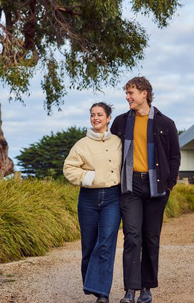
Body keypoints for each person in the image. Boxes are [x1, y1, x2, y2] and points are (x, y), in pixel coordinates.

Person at [111, 76, 181, 303]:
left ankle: (147, 288)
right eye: (127, 93)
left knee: (151, 238)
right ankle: (130, 289)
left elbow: (174, 157)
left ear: (145, 94)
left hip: (156, 188)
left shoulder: (165, 124)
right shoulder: (121, 122)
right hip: (130, 186)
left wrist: (169, 185)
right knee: (132, 237)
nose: (127, 97)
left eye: (131, 93)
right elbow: (111, 154)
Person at [63, 102, 122, 303]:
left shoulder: (118, 142)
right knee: (89, 246)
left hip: (113, 198)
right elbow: (69, 168)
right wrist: (89, 177)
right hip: (87, 199)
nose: (95, 118)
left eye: (99, 114)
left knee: (105, 243)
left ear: (108, 118)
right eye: (92, 115)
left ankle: (102, 293)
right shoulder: (81, 144)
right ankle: (93, 285)